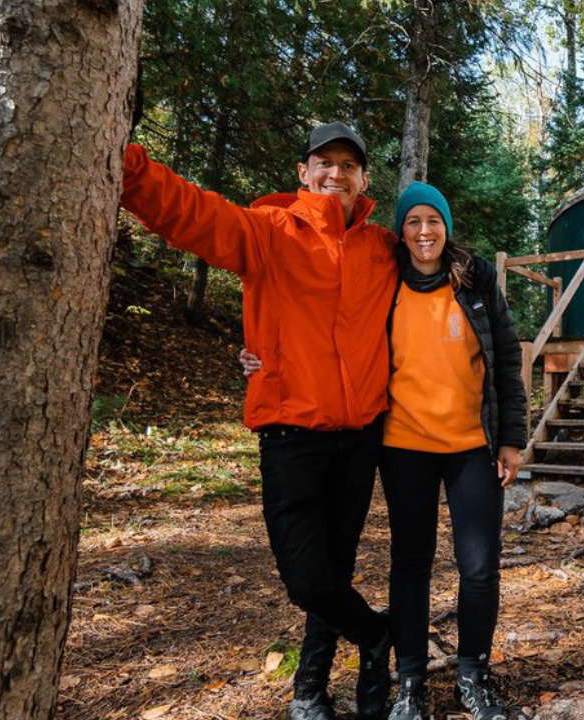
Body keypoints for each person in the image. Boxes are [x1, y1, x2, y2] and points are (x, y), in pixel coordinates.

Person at [121, 122, 396, 720]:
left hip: (361, 438)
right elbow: (192, 213)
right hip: (291, 433)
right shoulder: (267, 232)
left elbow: (431, 288)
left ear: (363, 179)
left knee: (336, 570)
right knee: (305, 578)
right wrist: (127, 168)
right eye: (324, 162)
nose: (336, 174)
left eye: (349, 165)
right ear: (303, 172)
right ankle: (378, 636)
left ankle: (310, 691)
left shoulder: (382, 248)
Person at [241, 181, 526, 720]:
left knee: (481, 568)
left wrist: (512, 438)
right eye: (413, 221)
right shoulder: (385, 274)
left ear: (446, 225)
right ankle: (411, 680)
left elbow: (506, 360)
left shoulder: (475, 277)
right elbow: (320, 314)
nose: (424, 232)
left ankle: (475, 673)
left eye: (433, 220)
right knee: (411, 564)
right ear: (402, 230)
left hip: (473, 446)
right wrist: (259, 350)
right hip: (404, 446)